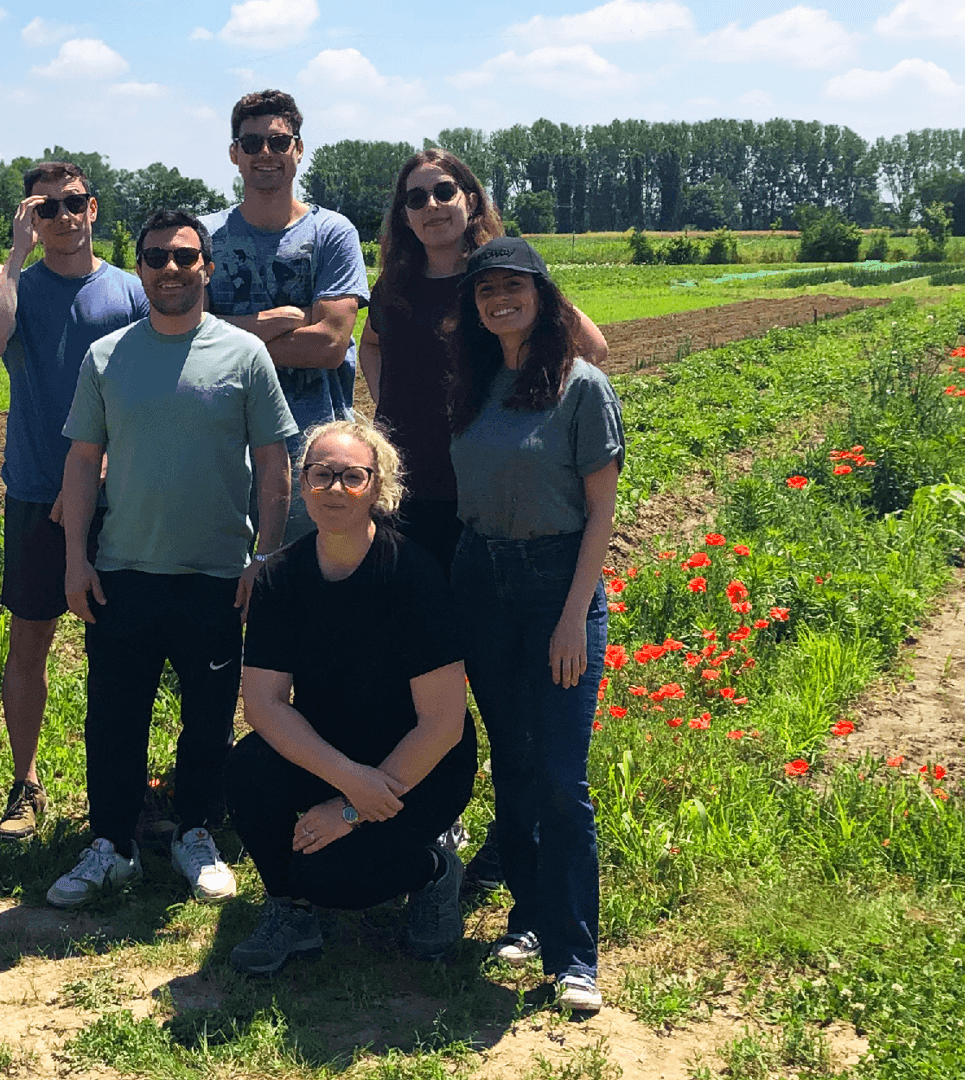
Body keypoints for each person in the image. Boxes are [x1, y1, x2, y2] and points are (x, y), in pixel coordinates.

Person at [360, 149, 610, 895]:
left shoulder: (499, 277)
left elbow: (590, 349)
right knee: (431, 672)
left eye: (447, 190)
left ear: (471, 199)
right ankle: (443, 814)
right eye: (417, 196)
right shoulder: (397, 290)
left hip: (487, 503)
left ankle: (515, 835)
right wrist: (397, 422)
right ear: (403, 215)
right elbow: (369, 350)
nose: (434, 205)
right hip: (414, 504)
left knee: (511, 684)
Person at [49, 209, 297, 909]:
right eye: (155, 257)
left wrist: (266, 555)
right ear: (141, 269)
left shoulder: (244, 356)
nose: (170, 269)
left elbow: (275, 461)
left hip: (217, 574)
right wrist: (76, 557)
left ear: (207, 268)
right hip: (124, 568)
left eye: (185, 257)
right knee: (113, 716)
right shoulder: (108, 357)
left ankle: (196, 831)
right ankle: (111, 843)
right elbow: (81, 460)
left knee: (210, 715)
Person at [227, 419, 475, 976]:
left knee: (339, 881)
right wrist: (347, 780)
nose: (335, 488)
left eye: (352, 477)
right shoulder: (279, 579)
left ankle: (434, 871)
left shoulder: (412, 574)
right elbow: (264, 705)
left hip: (421, 765)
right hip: (333, 753)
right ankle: (289, 910)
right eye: (322, 474)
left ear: (378, 488)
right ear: (305, 485)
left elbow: (442, 723)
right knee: (246, 769)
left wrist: (351, 807)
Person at [448, 237, 623, 1013]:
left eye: (514, 287)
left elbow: (600, 514)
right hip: (482, 585)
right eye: (486, 291)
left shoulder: (582, 388)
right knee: (514, 766)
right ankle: (526, 914)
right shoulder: (479, 384)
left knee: (560, 775)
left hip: (559, 588)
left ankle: (574, 952)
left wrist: (571, 619)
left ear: (544, 296)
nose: (499, 300)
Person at [0, 162, 150, 842]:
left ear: (94, 208)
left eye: (74, 203)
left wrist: (98, 472)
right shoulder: (17, 291)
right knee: (31, 639)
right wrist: (14, 259)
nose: (64, 217)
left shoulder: (129, 291)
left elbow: (146, 387)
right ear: (30, 219)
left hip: (118, 494)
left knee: (124, 647)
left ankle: (128, 784)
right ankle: (25, 782)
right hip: (36, 489)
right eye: (46, 209)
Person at [201, 89, 369, 544]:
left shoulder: (332, 233)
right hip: (220, 452)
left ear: (298, 149)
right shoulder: (204, 236)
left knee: (308, 597)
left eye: (278, 142)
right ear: (235, 154)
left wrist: (224, 336)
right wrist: (268, 324)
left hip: (313, 457)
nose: (266, 154)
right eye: (252, 144)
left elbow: (329, 346)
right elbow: (186, 342)